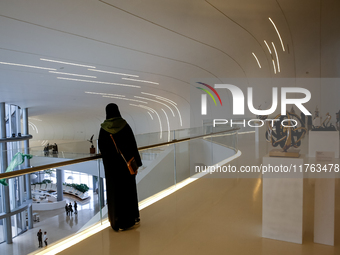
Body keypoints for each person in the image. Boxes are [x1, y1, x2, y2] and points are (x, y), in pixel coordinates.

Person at [98, 103, 142, 231]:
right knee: (128, 192)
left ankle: (116, 222)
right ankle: (130, 220)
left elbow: (102, 148)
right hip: (126, 167)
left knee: (114, 193)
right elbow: (133, 145)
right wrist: (136, 164)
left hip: (112, 169)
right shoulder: (125, 126)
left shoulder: (103, 129)